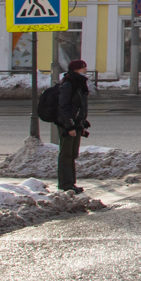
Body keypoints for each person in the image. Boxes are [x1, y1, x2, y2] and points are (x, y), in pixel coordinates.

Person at [56, 59, 91, 192]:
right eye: (83, 67)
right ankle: (65, 185)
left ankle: (71, 183)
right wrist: (69, 125)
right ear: (76, 69)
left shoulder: (79, 84)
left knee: (72, 154)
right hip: (67, 125)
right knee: (66, 154)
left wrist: (81, 123)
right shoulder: (68, 84)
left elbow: (80, 106)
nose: (86, 69)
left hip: (76, 124)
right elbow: (63, 106)